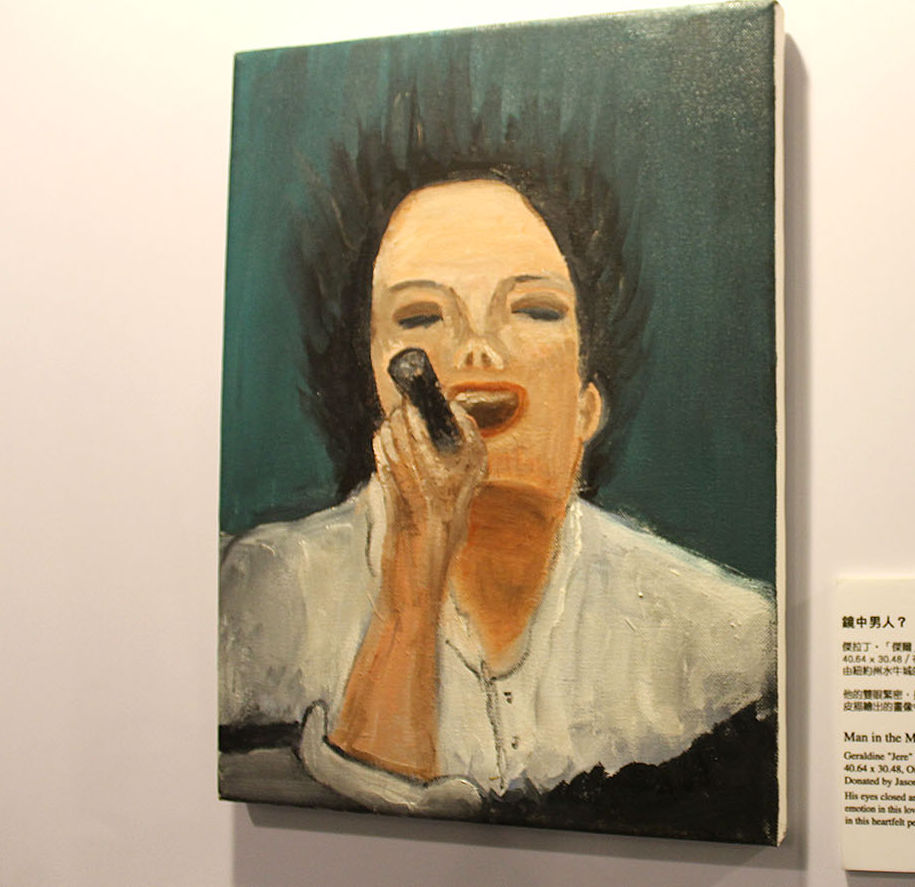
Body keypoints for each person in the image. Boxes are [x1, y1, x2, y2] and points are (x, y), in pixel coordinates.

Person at [219, 142, 778, 842]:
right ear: (373, 387)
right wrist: (415, 562)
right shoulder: (259, 600)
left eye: (534, 310)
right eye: (421, 317)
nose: (478, 349)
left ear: (587, 402)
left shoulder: (729, 645)